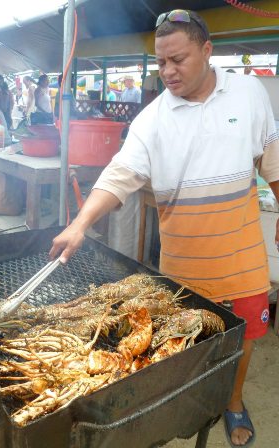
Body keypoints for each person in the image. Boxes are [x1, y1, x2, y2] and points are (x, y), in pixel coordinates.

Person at [50, 9, 279, 448]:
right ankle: (184, 404)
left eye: (179, 59)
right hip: (183, 265)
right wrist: (80, 223)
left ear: (208, 51)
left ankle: (233, 402)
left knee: (245, 337)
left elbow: (272, 161)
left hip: (243, 255)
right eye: (161, 62)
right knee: (181, 343)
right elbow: (119, 175)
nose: (168, 71)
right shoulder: (152, 119)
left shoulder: (249, 94)